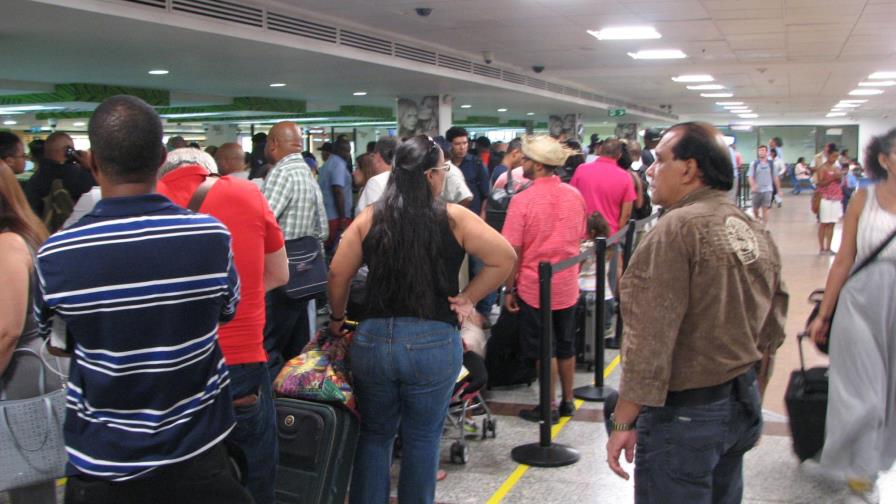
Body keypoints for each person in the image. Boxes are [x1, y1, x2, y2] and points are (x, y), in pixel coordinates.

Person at [33, 95, 250, 504]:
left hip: (104, 462)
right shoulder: (210, 237)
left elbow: (58, 343)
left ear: (93, 163)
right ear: (162, 159)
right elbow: (226, 309)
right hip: (199, 453)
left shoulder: (57, 255)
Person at [606, 122, 788, 503]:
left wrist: (623, 420)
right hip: (740, 400)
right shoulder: (752, 228)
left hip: (686, 414)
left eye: (659, 160)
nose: (650, 171)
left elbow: (650, 338)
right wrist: (754, 392)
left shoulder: (675, 230)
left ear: (689, 169)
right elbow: (772, 326)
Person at [326, 135, 515, 503]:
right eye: (443, 169)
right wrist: (469, 297)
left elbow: (337, 273)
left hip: (373, 341)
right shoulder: (453, 217)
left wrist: (337, 318)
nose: (444, 175)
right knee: (423, 438)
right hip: (433, 341)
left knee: (375, 435)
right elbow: (504, 257)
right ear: (430, 175)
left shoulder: (371, 217)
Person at [157, 147, 289, 504]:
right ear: (209, 172)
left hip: (171, 366)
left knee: (183, 477)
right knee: (254, 471)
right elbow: (280, 274)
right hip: (240, 361)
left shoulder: (148, 203)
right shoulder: (246, 193)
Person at [807, 128, 896, 504]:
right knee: (864, 395)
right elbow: (844, 259)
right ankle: (858, 474)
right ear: (884, 159)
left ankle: (867, 463)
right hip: (860, 302)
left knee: (890, 395)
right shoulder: (864, 198)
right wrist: (824, 315)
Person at [502, 135, 586, 422]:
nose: (522, 163)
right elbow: (580, 236)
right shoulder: (574, 195)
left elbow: (513, 250)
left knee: (543, 348)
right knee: (566, 343)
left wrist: (509, 288)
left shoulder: (522, 200)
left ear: (538, 165)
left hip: (534, 286)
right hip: (568, 284)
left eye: (526, 159)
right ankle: (568, 401)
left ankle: (548, 406)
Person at [0, 161, 59, 504]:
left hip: (18, 373)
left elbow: (7, 330)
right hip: (30, 367)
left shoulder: (8, 243)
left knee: (28, 482)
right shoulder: (27, 233)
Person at [262, 121, 329, 380]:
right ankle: (293, 397)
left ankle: (270, 399)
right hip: (304, 277)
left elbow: (263, 221)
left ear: (273, 144)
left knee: (269, 346)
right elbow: (323, 229)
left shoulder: (282, 173)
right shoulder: (307, 173)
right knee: (297, 348)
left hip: (279, 276)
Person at [23, 131, 95, 226]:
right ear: (68, 151)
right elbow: (100, 190)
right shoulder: (76, 174)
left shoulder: (34, 179)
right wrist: (90, 167)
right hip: (71, 230)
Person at [570, 137, 636, 235]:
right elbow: (626, 214)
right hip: (610, 235)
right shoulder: (626, 177)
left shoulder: (581, 169)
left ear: (600, 149)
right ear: (619, 155)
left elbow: (571, 200)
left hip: (583, 233)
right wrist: (617, 235)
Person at [318, 139, 353, 253]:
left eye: (349, 151)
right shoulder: (338, 164)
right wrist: (342, 218)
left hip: (327, 216)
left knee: (329, 253)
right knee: (340, 253)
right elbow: (337, 190)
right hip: (337, 218)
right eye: (345, 150)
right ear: (337, 150)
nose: (348, 154)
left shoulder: (327, 164)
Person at [356, 136, 398, 212]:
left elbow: (372, 216)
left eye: (373, 156)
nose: (372, 160)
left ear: (378, 156)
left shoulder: (375, 182)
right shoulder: (404, 177)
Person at [815, 148, 844, 254]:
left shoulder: (837, 168)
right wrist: (832, 178)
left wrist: (839, 177)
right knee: (824, 223)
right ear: (828, 156)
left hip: (836, 197)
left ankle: (829, 247)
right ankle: (822, 247)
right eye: (833, 156)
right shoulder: (822, 168)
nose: (835, 159)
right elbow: (820, 183)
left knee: (832, 223)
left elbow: (840, 181)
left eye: (837, 157)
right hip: (825, 197)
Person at [747, 145, 780, 224]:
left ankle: (764, 227)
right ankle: (757, 218)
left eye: (763, 150)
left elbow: (776, 177)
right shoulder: (754, 164)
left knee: (765, 209)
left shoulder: (771, 164)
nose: (761, 152)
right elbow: (750, 177)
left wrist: (779, 190)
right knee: (755, 209)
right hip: (756, 191)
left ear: (767, 152)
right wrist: (753, 186)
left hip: (768, 190)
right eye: (760, 151)